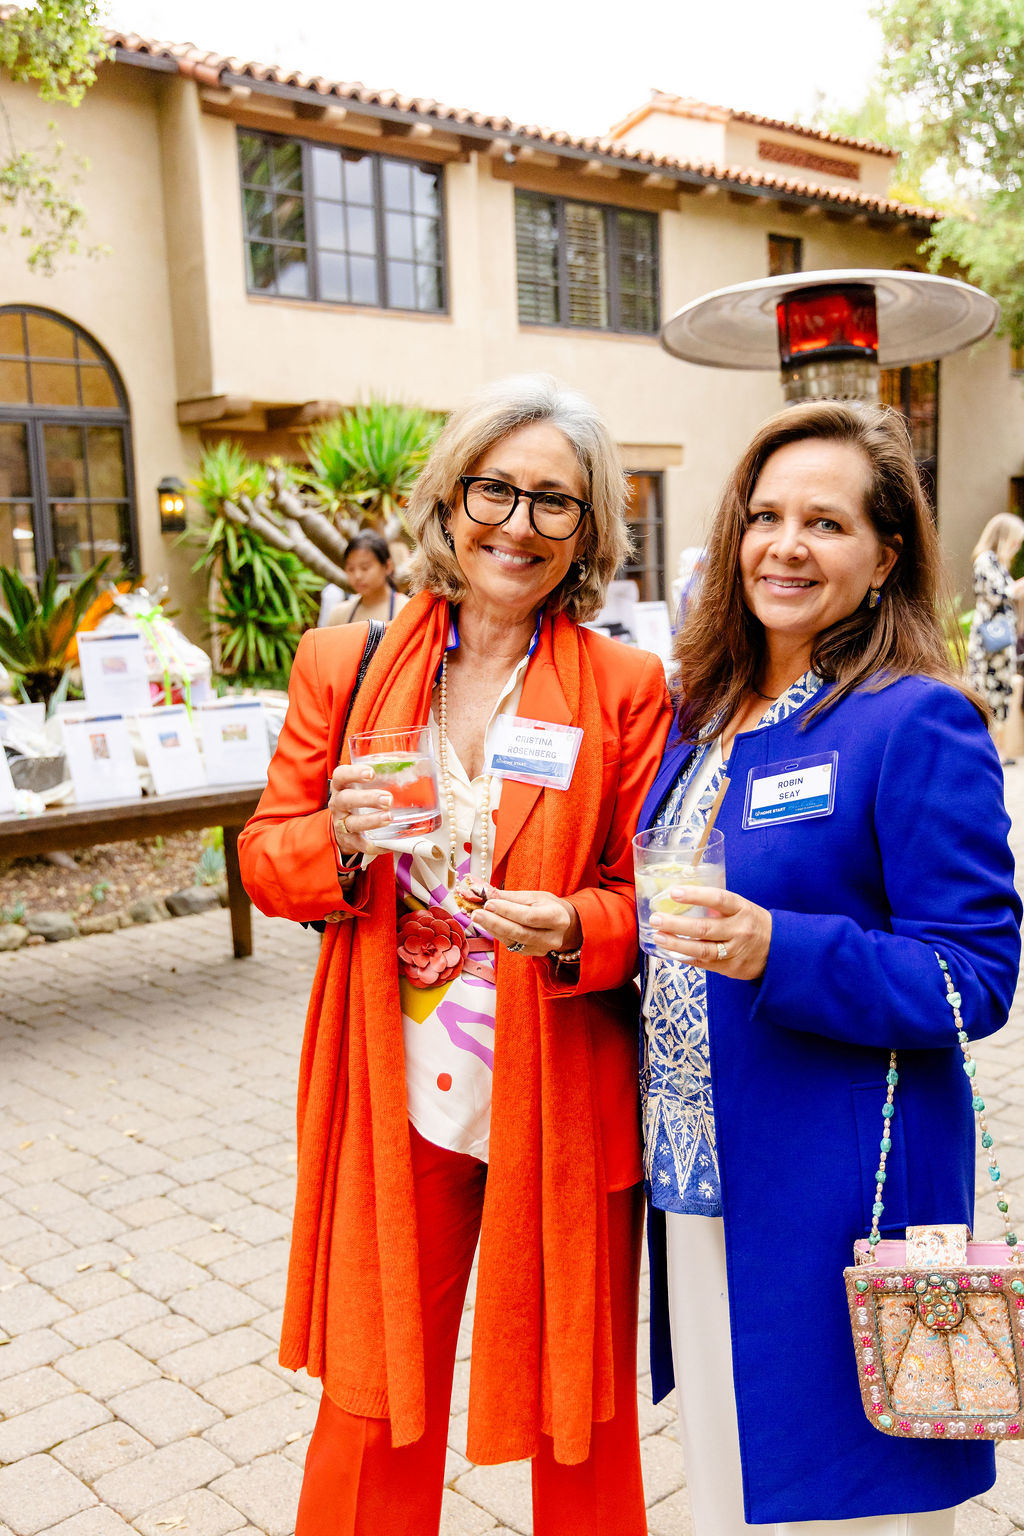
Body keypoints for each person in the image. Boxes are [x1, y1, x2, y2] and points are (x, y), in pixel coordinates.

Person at [238, 374, 670, 1536]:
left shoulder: (626, 688)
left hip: (559, 1083)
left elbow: (645, 890)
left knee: (581, 1403)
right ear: (450, 498)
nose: (517, 524)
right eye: (495, 489)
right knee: (375, 1390)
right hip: (399, 1082)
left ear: (586, 530)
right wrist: (335, 838)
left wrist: (577, 926)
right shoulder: (345, 664)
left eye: (553, 501)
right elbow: (266, 858)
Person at [635, 400, 1021, 1534]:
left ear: (885, 556)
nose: (785, 546)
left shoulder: (915, 721)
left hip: (838, 1189)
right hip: (695, 1170)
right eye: (765, 517)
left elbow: (974, 977)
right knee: (730, 1481)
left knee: (846, 1500)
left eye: (826, 522)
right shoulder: (702, 715)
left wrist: (780, 947)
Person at [967, 512, 1024, 735]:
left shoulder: (997, 563)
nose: (1017, 546)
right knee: (986, 691)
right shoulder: (986, 560)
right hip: (990, 639)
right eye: (1015, 541)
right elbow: (996, 594)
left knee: (999, 693)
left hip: (1000, 639)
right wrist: (1018, 587)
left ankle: (995, 743)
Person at [326, 529, 410, 626]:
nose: (357, 576)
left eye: (365, 568)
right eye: (351, 569)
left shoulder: (406, 610)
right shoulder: (339, 615)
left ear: (387, 566)